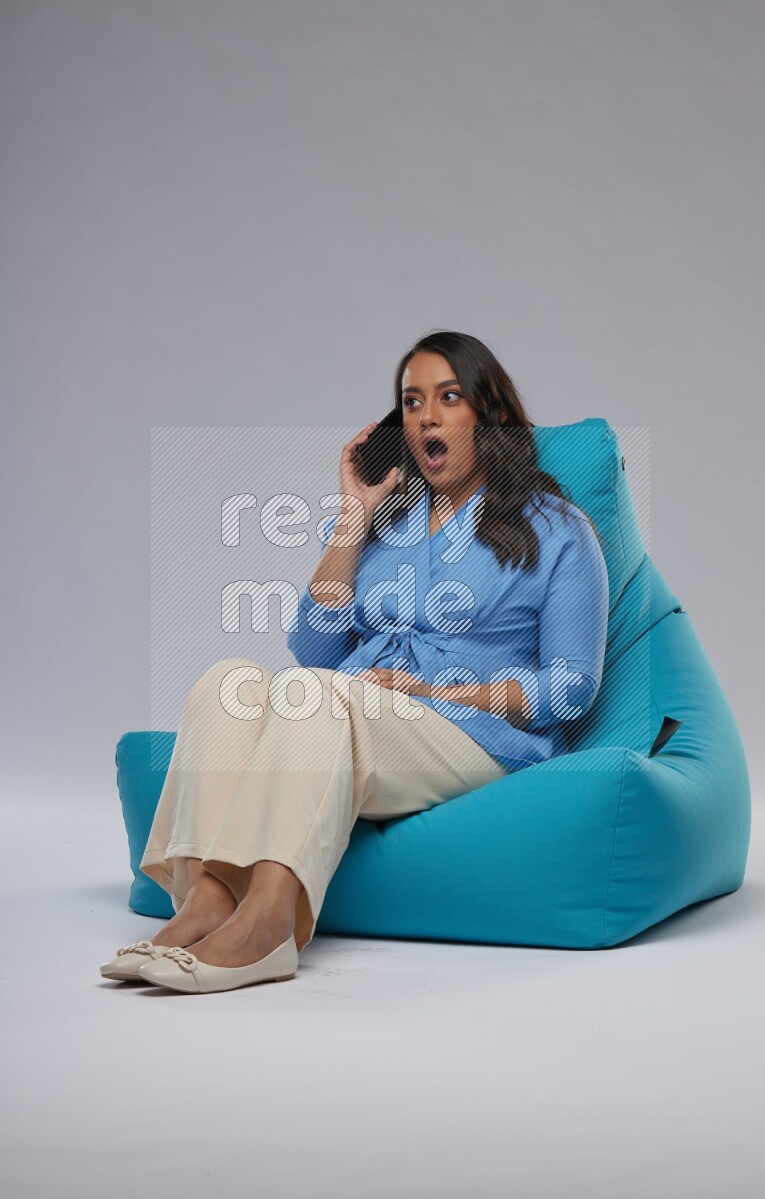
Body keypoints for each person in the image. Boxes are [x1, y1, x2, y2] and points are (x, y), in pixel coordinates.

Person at [99, 330, 610, 994]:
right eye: (412, 401)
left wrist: (435, 690)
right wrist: (351, 517)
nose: (425, 415)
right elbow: (312, 648)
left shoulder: (559, 529)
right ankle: (202, 903)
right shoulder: (386, 523)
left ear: (490, 415)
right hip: (355, 716)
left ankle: (267, 926)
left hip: (472, 733)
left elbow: (572, 687)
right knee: (228, 682)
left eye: (448, 397)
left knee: (320, 697)